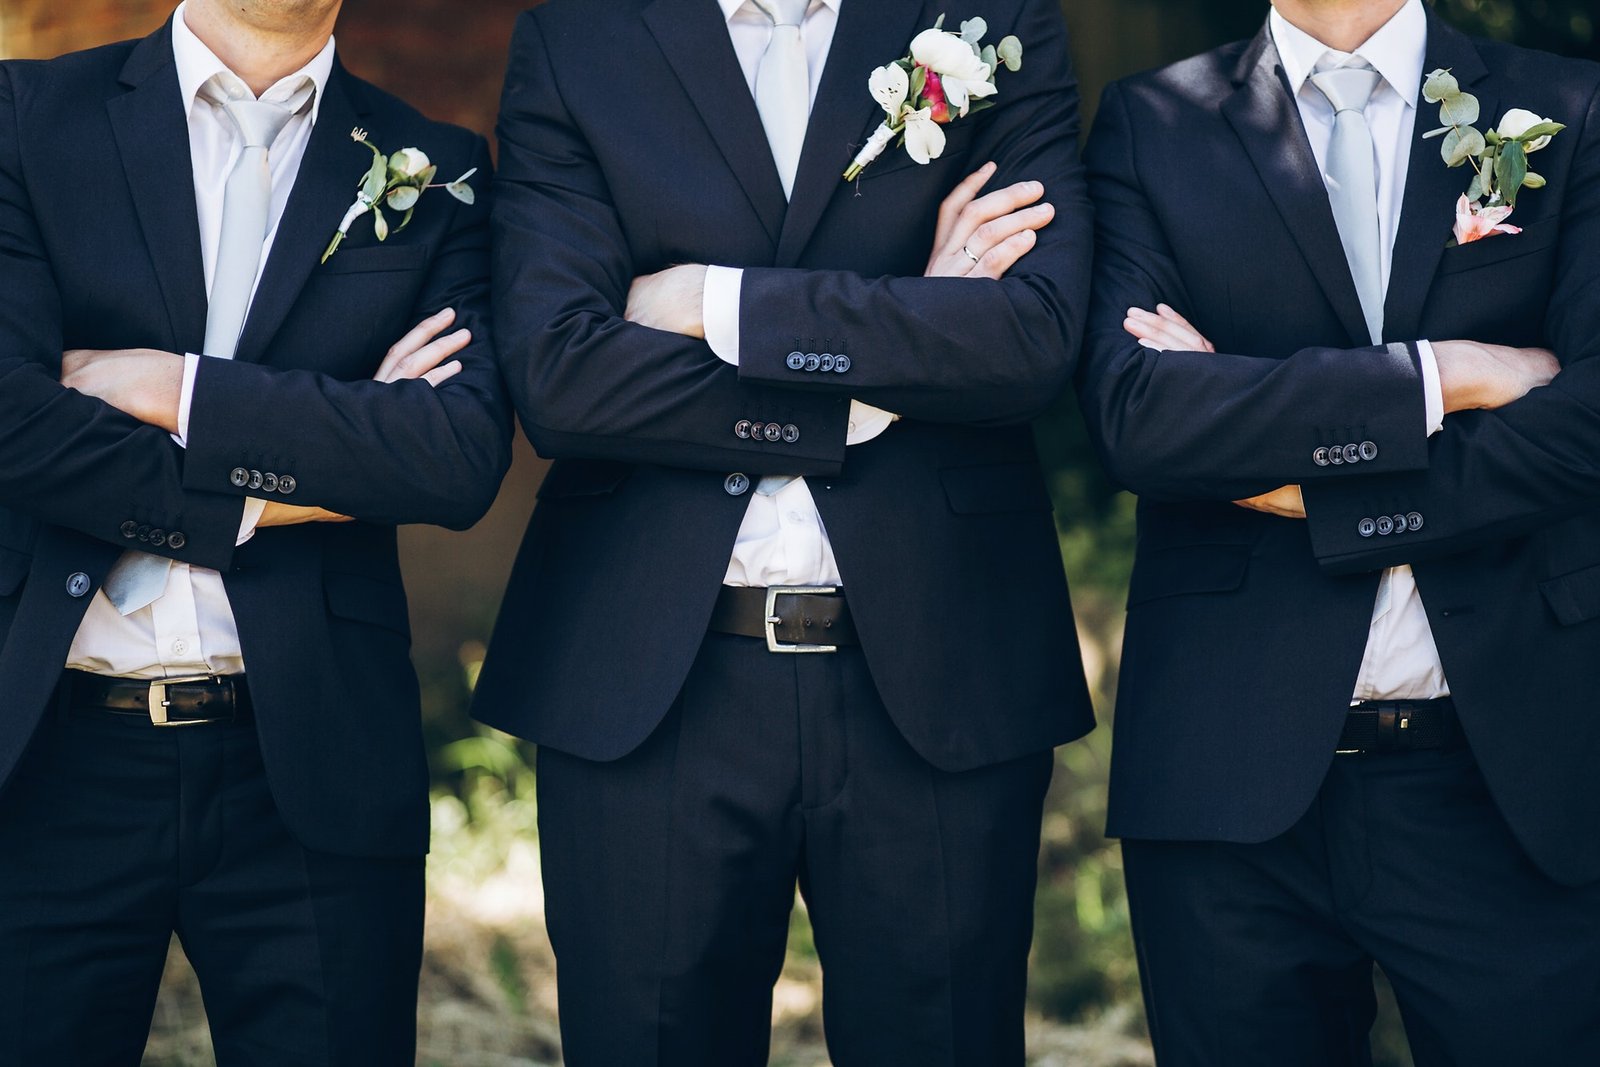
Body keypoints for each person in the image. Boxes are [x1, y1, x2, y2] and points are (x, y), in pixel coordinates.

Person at [477, 0, 1095, 1062]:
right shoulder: (579, 38)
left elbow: (1027, 338)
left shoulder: (993, 25)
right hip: (648, 678)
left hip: (938, 666)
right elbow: (561, 373)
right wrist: (893, 354)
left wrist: (710, 301)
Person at [1078, 0, 1600, 1062]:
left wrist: (1321, 489)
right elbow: (1140, 415)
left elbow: (1588, 420)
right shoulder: (1151, 120)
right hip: (1227, 775)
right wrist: (1446, 373)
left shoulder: (1567, 107)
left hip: (1511, 767)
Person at [0, 1, 510, 1062]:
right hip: (47, 752)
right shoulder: (23, 113)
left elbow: (452, 457)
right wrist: (312, 466)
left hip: (314, 763)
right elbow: (15, 426)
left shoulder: (439, 167)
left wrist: (171, 387)